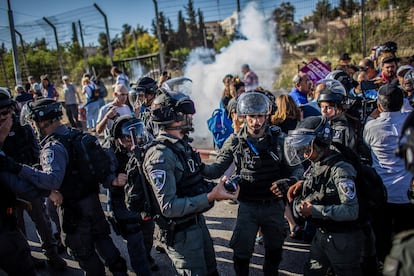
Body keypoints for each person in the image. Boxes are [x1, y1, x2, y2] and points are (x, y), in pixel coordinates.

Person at [12, 98, 128, 275]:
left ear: (43, 121)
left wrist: (23, 170)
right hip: (93, 204)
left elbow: (52, 181)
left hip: (74, 211)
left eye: (34, 122)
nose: (33, 127)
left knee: (85, 254)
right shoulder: (77, 135)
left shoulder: (53, 147)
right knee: (104, 241)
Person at [143, 77, 239, 275]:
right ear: (175, 117)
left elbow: (210, 171)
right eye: (187, 114)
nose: (192, 117)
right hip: (180, 234)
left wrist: (234, 138)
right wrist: (211, 197)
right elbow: (168, 207)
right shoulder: (160, 156)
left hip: (196, 224)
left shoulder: (181, 146)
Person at [203, 91, 303, 275]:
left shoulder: (280, 140)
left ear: (267, 116)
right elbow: (215, 170)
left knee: (274, 251)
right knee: (241, 253)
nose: (256, 122)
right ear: (244, 117)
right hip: (248, 206)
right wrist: (192, 163)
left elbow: (297, 169)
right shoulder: (235, 141)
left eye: (260, 116)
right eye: (251, 117)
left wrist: (291, 181)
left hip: (274, 206)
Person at [285, 116, 363, 275]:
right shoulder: (320, 161)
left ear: (320, 144)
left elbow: (351, 210)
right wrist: (302, 184)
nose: (304, 152)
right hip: (322, 233)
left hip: (342, 239)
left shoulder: (341, 170)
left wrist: (314, 210)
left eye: (307, 147)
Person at [0, 89, 67, 270]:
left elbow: (36, 147)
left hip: (28, 178)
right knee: (16, 225)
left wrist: (39, 172)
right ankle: (27, 256)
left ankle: (52, 255)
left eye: (6, 111)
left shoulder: (22, 126)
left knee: (42, 220)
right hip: (9, 186)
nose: (5, 116)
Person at [363, 81, 414, 264]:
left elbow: (366, 144)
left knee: (382, 241)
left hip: (381, 194)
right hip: (406, 196)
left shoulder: (371, 127)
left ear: (378, 105)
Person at [103, 115, 153, 275]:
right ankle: (142, 270)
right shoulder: (109, 152)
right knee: (134, 238)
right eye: (128, 137)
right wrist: (113, 180)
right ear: (118, 139)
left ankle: (147, 257)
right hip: (122, 202)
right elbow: (100, 173)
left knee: (148, 233)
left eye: (137, 134)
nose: (134, 140)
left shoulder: (144, 147)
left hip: (143, 199)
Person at [317, 79, 357, 152]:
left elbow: (336, 154)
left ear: (340, 108)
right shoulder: (326, 124)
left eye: (328, 107)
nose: (324, 110)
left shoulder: (341, 129)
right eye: (322, 106)